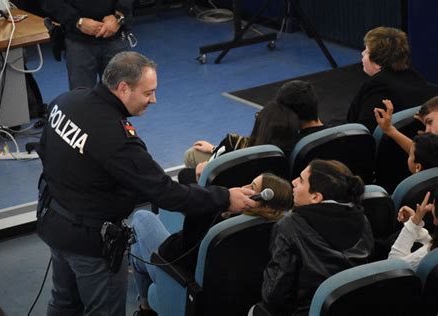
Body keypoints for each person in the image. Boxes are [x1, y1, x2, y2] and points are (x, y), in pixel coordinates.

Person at [35, 51, 257, 316]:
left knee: (63, 302)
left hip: (54, 222)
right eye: (148, 93)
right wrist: (225, 198)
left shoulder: (66, 101)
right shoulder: (117, 139)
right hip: (90, 243)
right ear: (123, 88)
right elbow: (165, 192)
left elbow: (44, 150)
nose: (153, 99)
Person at [130, 173, 294, 315]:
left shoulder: (218, 227)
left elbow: (168, 254)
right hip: (233, 301)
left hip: (182, 285)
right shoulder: (283, 231)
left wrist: (212, 209)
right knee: (137, 251)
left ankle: (145, 307)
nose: (244, 187)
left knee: (142, 218)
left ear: (257, 200)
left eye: (251, 186)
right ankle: (145, 307)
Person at [249, 159, 373, 316]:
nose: (293, 183)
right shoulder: (363, 220)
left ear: (316, 197)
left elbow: (274, 296)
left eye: (301, 181)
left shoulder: (289, 226)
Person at [179, 101, 299, 183]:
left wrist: (207, 167)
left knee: (185, 170)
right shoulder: (289, 155)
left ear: (262, 127)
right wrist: (213, 148)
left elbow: (216, 169)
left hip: (225, 191)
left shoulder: (232, 143)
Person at [347, 26, 438, 132]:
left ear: (378, 63)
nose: (362, 54)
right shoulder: (414, 76)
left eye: (366, 51)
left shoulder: (377, 86)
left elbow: (361, 130)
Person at [41, 0, 134, 90]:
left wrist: (119, 16)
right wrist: (77, 21)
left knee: (121, 97)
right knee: (82, 99)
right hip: (78, 40)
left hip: (115, 36)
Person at [389, 190, 437, 270]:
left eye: (434, 205)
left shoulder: (429, 256)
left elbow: (393, 267)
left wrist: (413, 222)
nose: (431, 206)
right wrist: (415, 223)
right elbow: (430, 242)